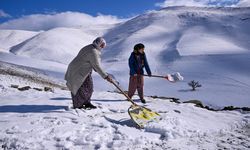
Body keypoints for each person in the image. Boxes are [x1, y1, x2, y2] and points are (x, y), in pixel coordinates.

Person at [65, 37, 112, 109]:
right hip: (77, 70)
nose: (103, 47)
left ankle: (86, 102)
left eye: (104, 45)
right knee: (78, 88)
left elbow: (90, 61)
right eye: (102, 45)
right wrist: (105, 76)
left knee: (89, 87)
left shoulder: (91, 47)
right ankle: (78, 105)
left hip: (84, 70)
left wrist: (94, 67)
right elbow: (97, 66)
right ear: (98, 43)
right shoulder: (93, 51)